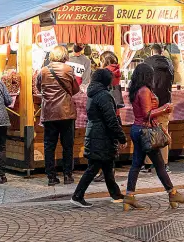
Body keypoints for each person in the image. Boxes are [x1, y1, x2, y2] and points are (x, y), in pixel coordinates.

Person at [123, 63, 184, 210]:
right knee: (159, 165)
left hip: (138, 129)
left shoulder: (136, 90)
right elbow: (148, 114)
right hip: (146, 132)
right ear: (148, 76)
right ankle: (172, 193)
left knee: (136, 164)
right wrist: (165, 108)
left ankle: (129, 196)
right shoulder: (145, 91)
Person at [71, 69, 127, 207]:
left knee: (107, 166)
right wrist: (121, 137)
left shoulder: (93, 94)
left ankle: (115, 194)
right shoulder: (104, 96)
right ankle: (77, 196)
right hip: (101, 136)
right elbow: (111, 120)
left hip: (96, 134)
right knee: (94, 167)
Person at [37, 45, 80, 186]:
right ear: (64, 56)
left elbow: (38, 87)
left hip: (49, 112)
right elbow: (75, 89)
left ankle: (51, 177)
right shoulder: (68, 70)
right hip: (66, 112)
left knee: (49, 145)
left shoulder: (43, 71)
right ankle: (68, 175)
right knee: (68, 145)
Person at [143, 43, 174, 173]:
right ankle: (165, 164)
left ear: (151, 52)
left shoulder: (146, 63)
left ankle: (149, 165)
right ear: (162, 52)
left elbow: (142, 82)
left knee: (148, 133)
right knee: (163, 132)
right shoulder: (169, 64)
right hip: (165, 103)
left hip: (150, 103)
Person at [93, 51, 123, 183]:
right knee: (111, 144)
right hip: (116, 111)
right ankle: (109, 172)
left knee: (104, 144)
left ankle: (106, 173)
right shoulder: (117, 71)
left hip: (106, 110)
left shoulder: (105, 73)